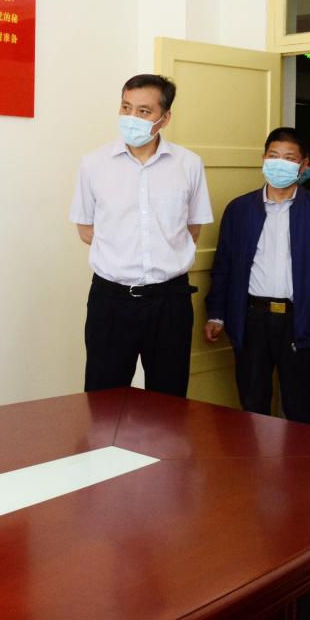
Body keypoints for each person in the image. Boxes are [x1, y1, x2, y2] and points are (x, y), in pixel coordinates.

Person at [69, 74, 212, 397]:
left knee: (169, 397)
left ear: (165, 118)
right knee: (104, 397)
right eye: (126, 107)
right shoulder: (94, 164)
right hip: (111, 299)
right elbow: (86, 229)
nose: (131, 117)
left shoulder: (189, 164)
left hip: (170, 300)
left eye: (144, 111)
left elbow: (193, 228)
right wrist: (123, 251)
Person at [204, 128, 310, 424]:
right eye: (274, 156)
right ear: (263, 159)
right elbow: (224, 266)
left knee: (299, 408)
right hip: (251, 319)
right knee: (252, 403)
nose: (280, 163)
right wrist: (216, 313)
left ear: (304, 165)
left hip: (300, 321)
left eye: (289, 158)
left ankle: (299, 457)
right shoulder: (240, 209)